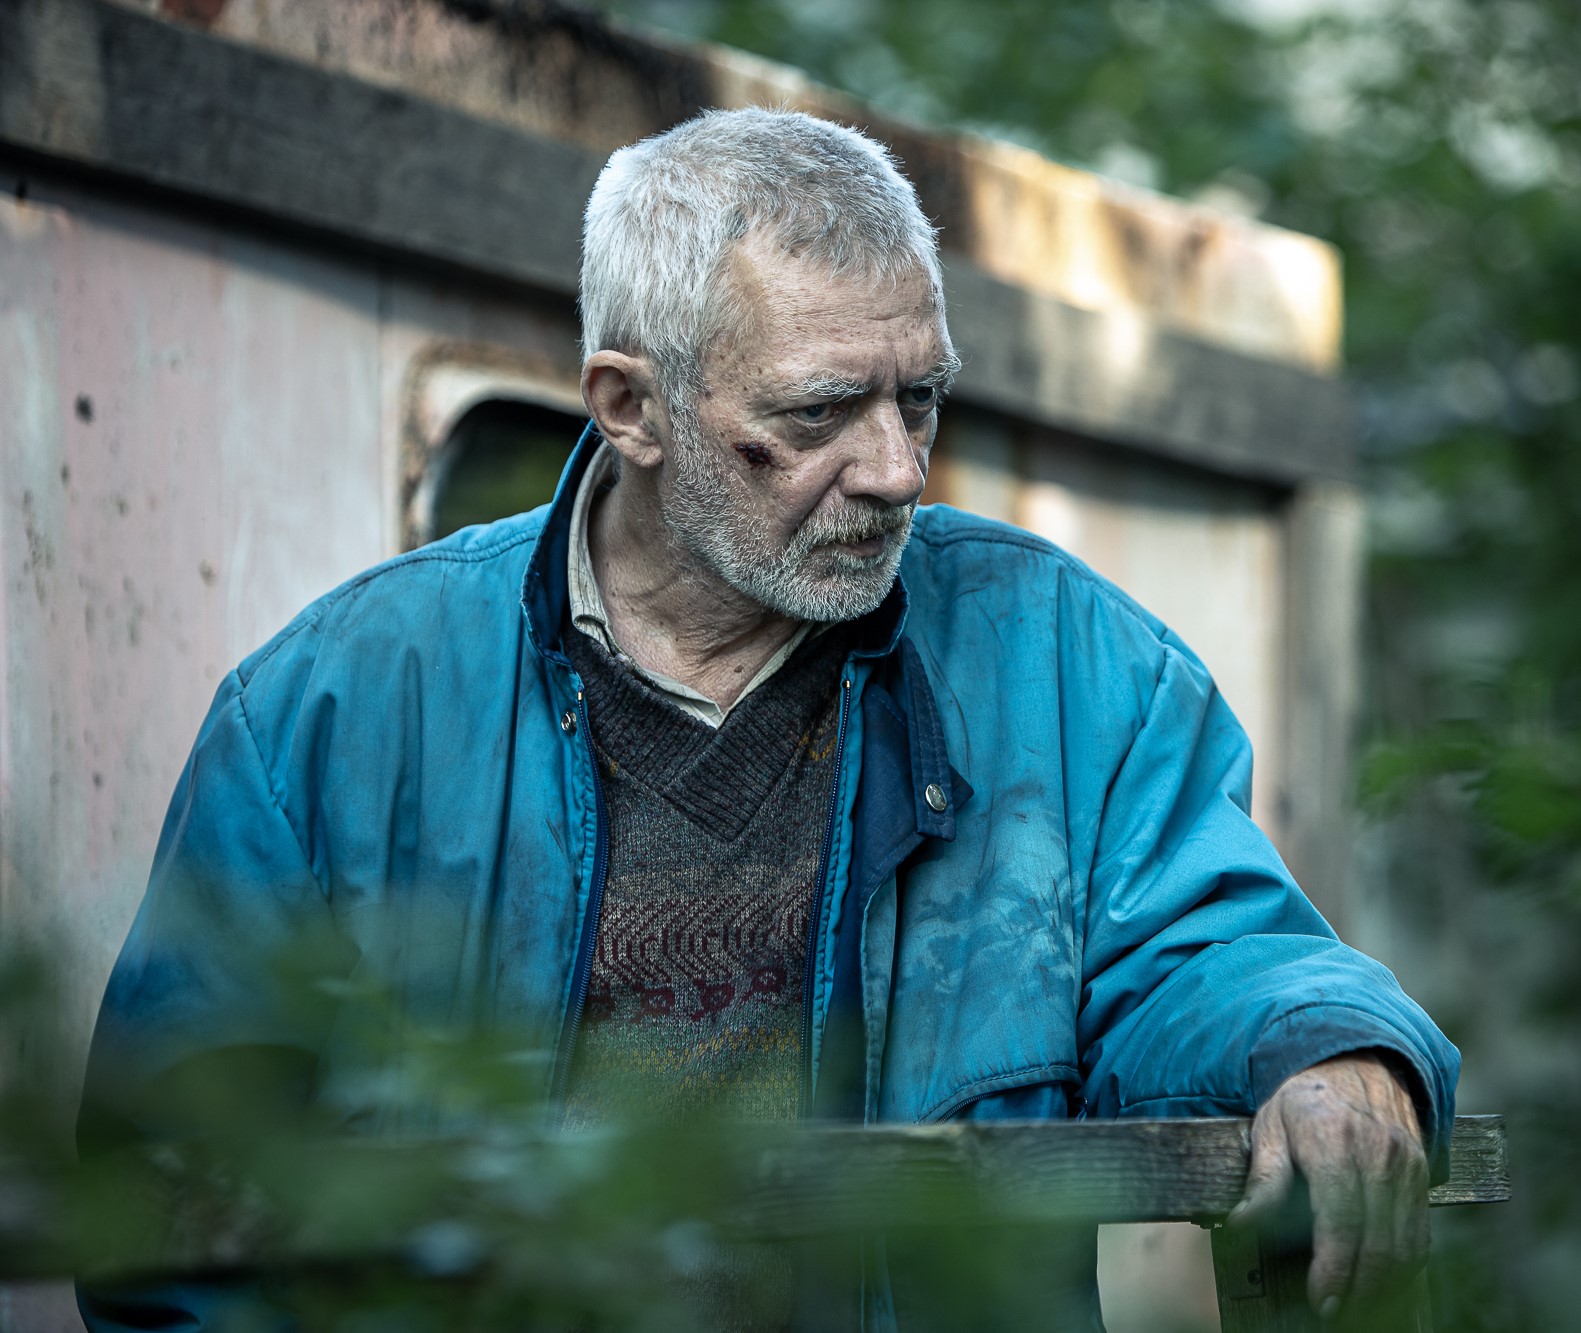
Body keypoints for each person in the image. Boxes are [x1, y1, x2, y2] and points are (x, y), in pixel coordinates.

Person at [80, 107, 1457, 1329]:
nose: (897, 469)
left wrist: (1324, 1045)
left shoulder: (1070, 663)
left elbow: (1202, 949)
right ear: (631, 407)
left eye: (920, 396)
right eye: (821, 412)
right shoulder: (336, 707)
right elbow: (171, 1209)